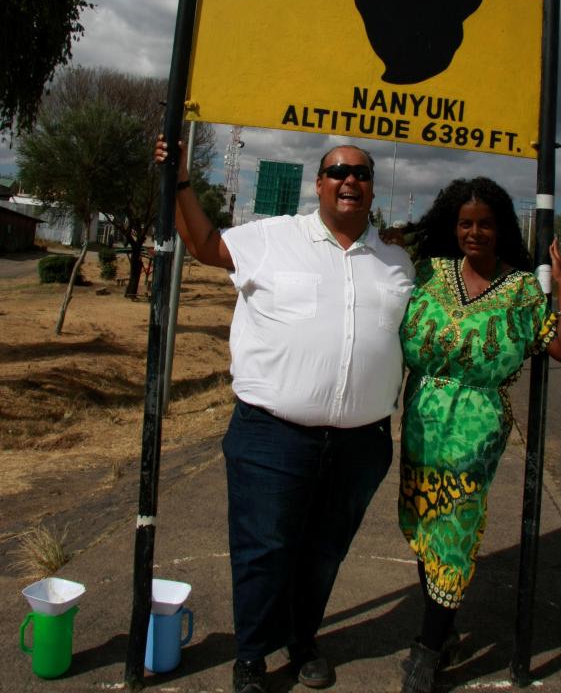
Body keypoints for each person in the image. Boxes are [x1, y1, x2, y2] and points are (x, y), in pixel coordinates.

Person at [155, 138, 415, 693]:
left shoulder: (397, 260)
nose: (350, 180)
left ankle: (302, 640)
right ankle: (251, 655)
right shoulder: (272, 238)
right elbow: (202, 243)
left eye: (361, 173)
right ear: (318, 184)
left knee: (324, 552)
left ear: (372, 186)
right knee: (264, 549)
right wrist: (179, 180)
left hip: (362, 443)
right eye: (337, 171)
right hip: (272, 437)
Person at [390, 177, 561, 693]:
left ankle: (428, 652)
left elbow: (560, 348)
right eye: (466, 223)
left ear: (502, 228)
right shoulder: (428, 271)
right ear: (454, 226)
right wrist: (399, 234)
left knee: (453, 532)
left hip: (476, 428)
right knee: (423, 525)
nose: (476, 232)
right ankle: (443, 631)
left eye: (486, 224)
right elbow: (386, 260)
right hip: (422, 420)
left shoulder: (520, 290)